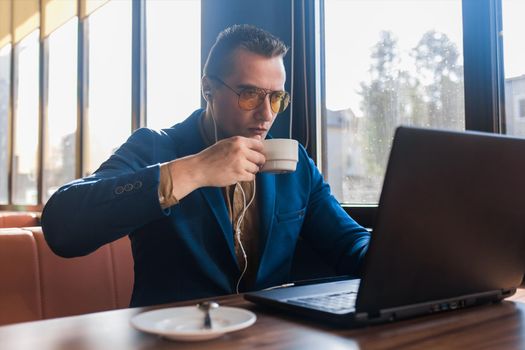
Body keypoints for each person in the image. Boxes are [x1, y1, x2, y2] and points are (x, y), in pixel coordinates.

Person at [41, 24, 370, 307]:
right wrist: (193, 171)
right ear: (207, 88)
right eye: (250, 94)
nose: (266, 114)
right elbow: (62, 225)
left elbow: (348, 240)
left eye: (276, 98)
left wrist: (403, 262)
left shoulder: (294, 163)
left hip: (268, 335)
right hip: (171, 338)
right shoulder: (155, 146)